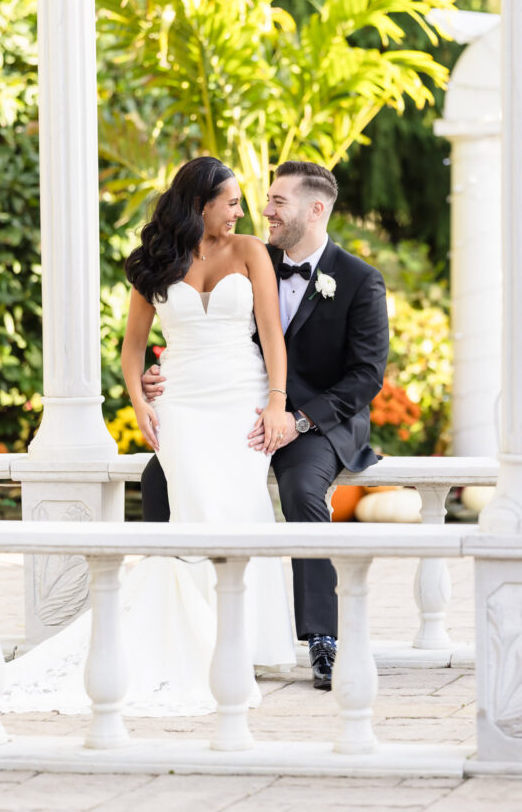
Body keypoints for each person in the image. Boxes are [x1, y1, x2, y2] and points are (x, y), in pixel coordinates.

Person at [0, 156, 296, 715]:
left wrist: (277, 405)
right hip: (180, 403)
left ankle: (246, 642)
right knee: (194, 512)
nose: (239, 211)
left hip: (243, 398)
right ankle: (203, 644)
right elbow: (132, 348)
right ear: (199, 203)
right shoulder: (155, 262)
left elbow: (272, 336)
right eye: (230, 202)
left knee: (240, 509)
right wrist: (140, 402)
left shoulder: (253, 251)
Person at [141, 160, 390, 689]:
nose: (264, 209)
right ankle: (176, 624)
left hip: (314, 421)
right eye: (266, 200)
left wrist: (296, 418)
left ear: (315, 209)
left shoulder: (359, 280)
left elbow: (366, 377)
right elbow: (196, 326)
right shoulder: (243, 250)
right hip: (236, 405)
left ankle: (323, 638)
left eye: (278, 201)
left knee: (302, 491)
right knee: (155, 480)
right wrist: (155, 376)